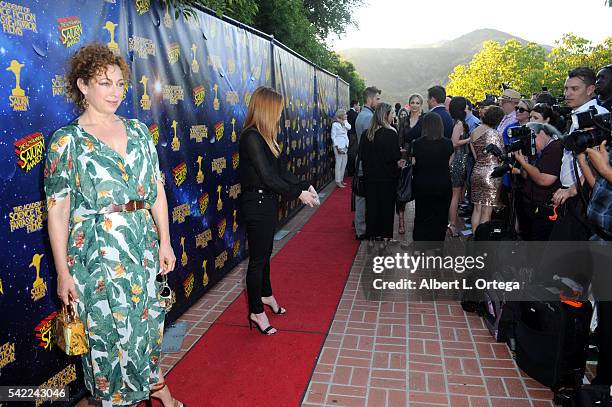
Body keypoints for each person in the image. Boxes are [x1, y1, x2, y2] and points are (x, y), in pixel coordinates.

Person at [45, 43, 183, 407]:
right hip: (94, 258)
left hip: (141, 249)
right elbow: (57, 211)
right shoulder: (66, 141)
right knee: (105, 343)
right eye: (105, 83)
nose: (115, 92)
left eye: (120, 84)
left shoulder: (139, 132)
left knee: (146, 331)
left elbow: (155, 191)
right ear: (83, 86)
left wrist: (165, 242)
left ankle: (156, 391)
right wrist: (62, 272)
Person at [239, 87, 318, 336]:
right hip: (257, 205)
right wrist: (298, 194)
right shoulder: (251, 137)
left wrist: (305, 184)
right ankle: (256, 311)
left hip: (268, 203)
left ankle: (266, 295)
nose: (281, 114)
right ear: (267, 109)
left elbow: (282, 172)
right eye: (278, 110)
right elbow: (269, 177)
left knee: (265, 255)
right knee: (258, 260)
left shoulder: (266, 136)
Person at [550, 67, 608, 241]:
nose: (567, 93)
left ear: (590, 90)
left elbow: (600, 163)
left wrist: (574, 189)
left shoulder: (599, 116)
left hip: (584, 197)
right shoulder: (578, 115)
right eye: (566, 88)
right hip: (570, 193)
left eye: (574, 89)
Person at [359, 103, 403, 245]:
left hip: (370, 178)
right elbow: (395, 156)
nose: (392, 117)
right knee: (387, 209)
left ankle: (372, 237)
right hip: (388, 178)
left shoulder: (366, 134)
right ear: (385, 115)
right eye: (391, 114)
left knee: (371, 208)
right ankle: (385, 238)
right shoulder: (391, 133)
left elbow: (361, 155)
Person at [513, 122, 563, 240]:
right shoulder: (537, 151)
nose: (531, 143)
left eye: (531, 138)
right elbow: (525, 175)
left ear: (541, 133)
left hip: (544, 207)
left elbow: (544, 180)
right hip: (531, 203)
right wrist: (525, 161)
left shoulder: (555, 148)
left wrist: (524, 163)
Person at [412, 113, 454, 241]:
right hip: (442, 183)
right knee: (440, 216)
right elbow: (448, 160)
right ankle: (437, 247)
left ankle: (420, 245)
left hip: (422, 183)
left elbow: (415, 162)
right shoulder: (447, 143)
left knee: (421, 214)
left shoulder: (418, 143)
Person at [470, 106, 505, 233]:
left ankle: (475, 236)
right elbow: (501, 157)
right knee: (487, 210)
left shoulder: (474, 132)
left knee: (477, 208)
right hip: (492, 174)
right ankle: (482, 240)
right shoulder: (495, 134)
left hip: (477, 171)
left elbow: (475, 156)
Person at [353, 86, 381, 240]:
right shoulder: (369, 117)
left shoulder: (362, 114)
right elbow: (373, 143)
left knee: (361, 196)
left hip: (362, 161)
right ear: (370, 99)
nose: (378, 102)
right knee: (364, 197)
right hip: (367, 163)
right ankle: (362, 229)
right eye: (377, 99)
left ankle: (360, 227)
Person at [448, 97, 472, 236]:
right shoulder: (458, 124)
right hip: (458, 161)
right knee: (455, 196)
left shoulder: (456, 122)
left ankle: (452, 223)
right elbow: (454, 142)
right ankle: (452, 225)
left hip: (458, 160)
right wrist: (470, 139)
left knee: (455, 195)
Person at [331, 109, 351, 187]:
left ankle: (341, 179)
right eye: (345, 114)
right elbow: (333, 137)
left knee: (344, 163)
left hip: (345, 145)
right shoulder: (335, 124)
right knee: (338, 164)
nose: (346, 115)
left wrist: (344, 122)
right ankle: (338, 181)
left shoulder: (345, 122)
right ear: (341, 115)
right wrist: (337, 147)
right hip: (338, 146)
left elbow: (349, 127)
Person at [346, 100, 360, 176]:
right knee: (352, 153)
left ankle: (350, 170)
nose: (359, 106)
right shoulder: (354, 114)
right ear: (354, 105)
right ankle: (351, 171)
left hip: (350, 135)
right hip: (353, 135)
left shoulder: (349, 113)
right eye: (358, 105)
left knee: (351, 153)